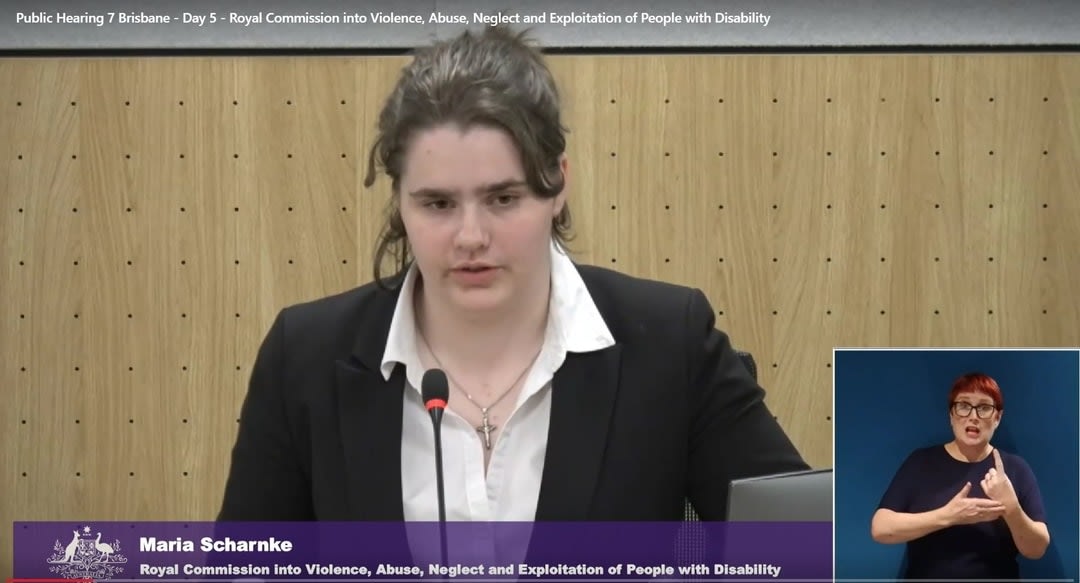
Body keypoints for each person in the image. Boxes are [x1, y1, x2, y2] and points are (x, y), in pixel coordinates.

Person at [217, 25, 808, 522]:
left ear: (557, 183)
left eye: (503, 199)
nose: (471, 237)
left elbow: (806, 550)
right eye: (438, 204)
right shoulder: (306, 357)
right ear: (400, 200)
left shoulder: (671, 342)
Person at [870, 372, 1050, 579]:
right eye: (964, 406)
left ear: (997, 418)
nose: (973, 416)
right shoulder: (921, 462)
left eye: (984, 408)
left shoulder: (1016, 468)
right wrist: (949, 516)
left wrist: (1011, 508)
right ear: (951, 415)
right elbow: (881, 529)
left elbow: (1036, 550)